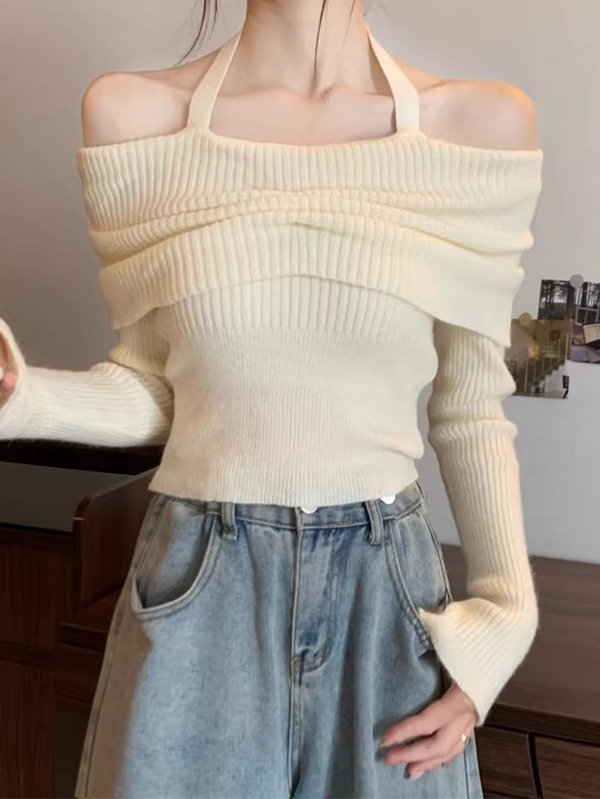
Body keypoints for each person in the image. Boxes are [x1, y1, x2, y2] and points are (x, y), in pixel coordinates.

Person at [0, 0, 544, 796]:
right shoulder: (134, 119)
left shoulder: (478, 129)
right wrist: (22, 396)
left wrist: (505, 617)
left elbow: (470, 410)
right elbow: (158, 387)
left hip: (383, 591)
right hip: (200, 582)